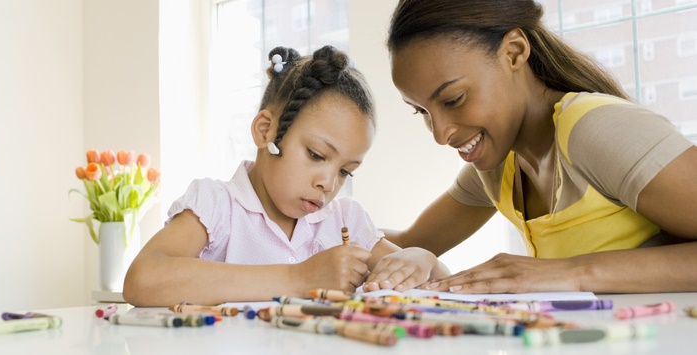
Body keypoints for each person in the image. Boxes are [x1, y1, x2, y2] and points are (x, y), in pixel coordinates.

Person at [366, 0, 697, 294]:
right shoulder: (499, 163)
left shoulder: (592, 129)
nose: (440, 134)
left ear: (514, 52)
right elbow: (406, 245)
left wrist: (574, 272)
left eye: (454, 99)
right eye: (422, 111)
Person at [123, 45, 450, 306]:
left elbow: (440, 280)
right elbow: (143, 280)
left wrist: (423, 258)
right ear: (266, 131)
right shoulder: (217, 206)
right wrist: (299, 278)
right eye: (317, 155)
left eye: (345, 172)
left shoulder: (345, 221)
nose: (329, 183)